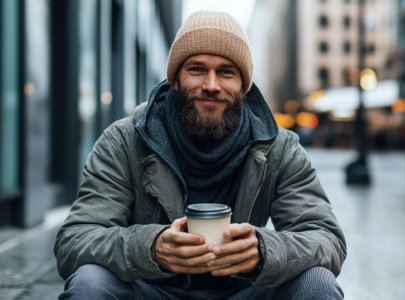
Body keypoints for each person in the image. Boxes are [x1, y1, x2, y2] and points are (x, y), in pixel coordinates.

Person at [54, 11, 346, 300]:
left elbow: (326, 238)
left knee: (317, 282)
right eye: (196, 69)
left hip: (246, 293)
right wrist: (151, 248)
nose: (211, 85)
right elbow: (75, 240)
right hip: (150, 289)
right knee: (90, 282)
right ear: (176, 80)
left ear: (243, 85)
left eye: (226, 72)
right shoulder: (124, 140)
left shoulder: (280, 148)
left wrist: (263, 250)